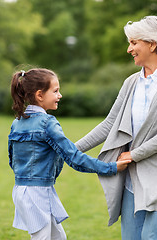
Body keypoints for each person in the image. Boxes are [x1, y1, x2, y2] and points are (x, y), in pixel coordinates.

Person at [75, 16, 157, 240]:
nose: (129, 49)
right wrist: (70, 149)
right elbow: (110, 124)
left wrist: (134, 154)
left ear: (152, 43)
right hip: (135, 179)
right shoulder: (131, 82)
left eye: (134, 43)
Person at [8, 68, 131, 240]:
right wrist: (110, 167)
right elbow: (74, 157)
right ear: (39, 95)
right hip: (37, 192)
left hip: (22, 189)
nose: (60, 95)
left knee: (58, 237)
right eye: (55, 91)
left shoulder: (17, 122)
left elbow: (12, 159)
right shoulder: (47, 123)